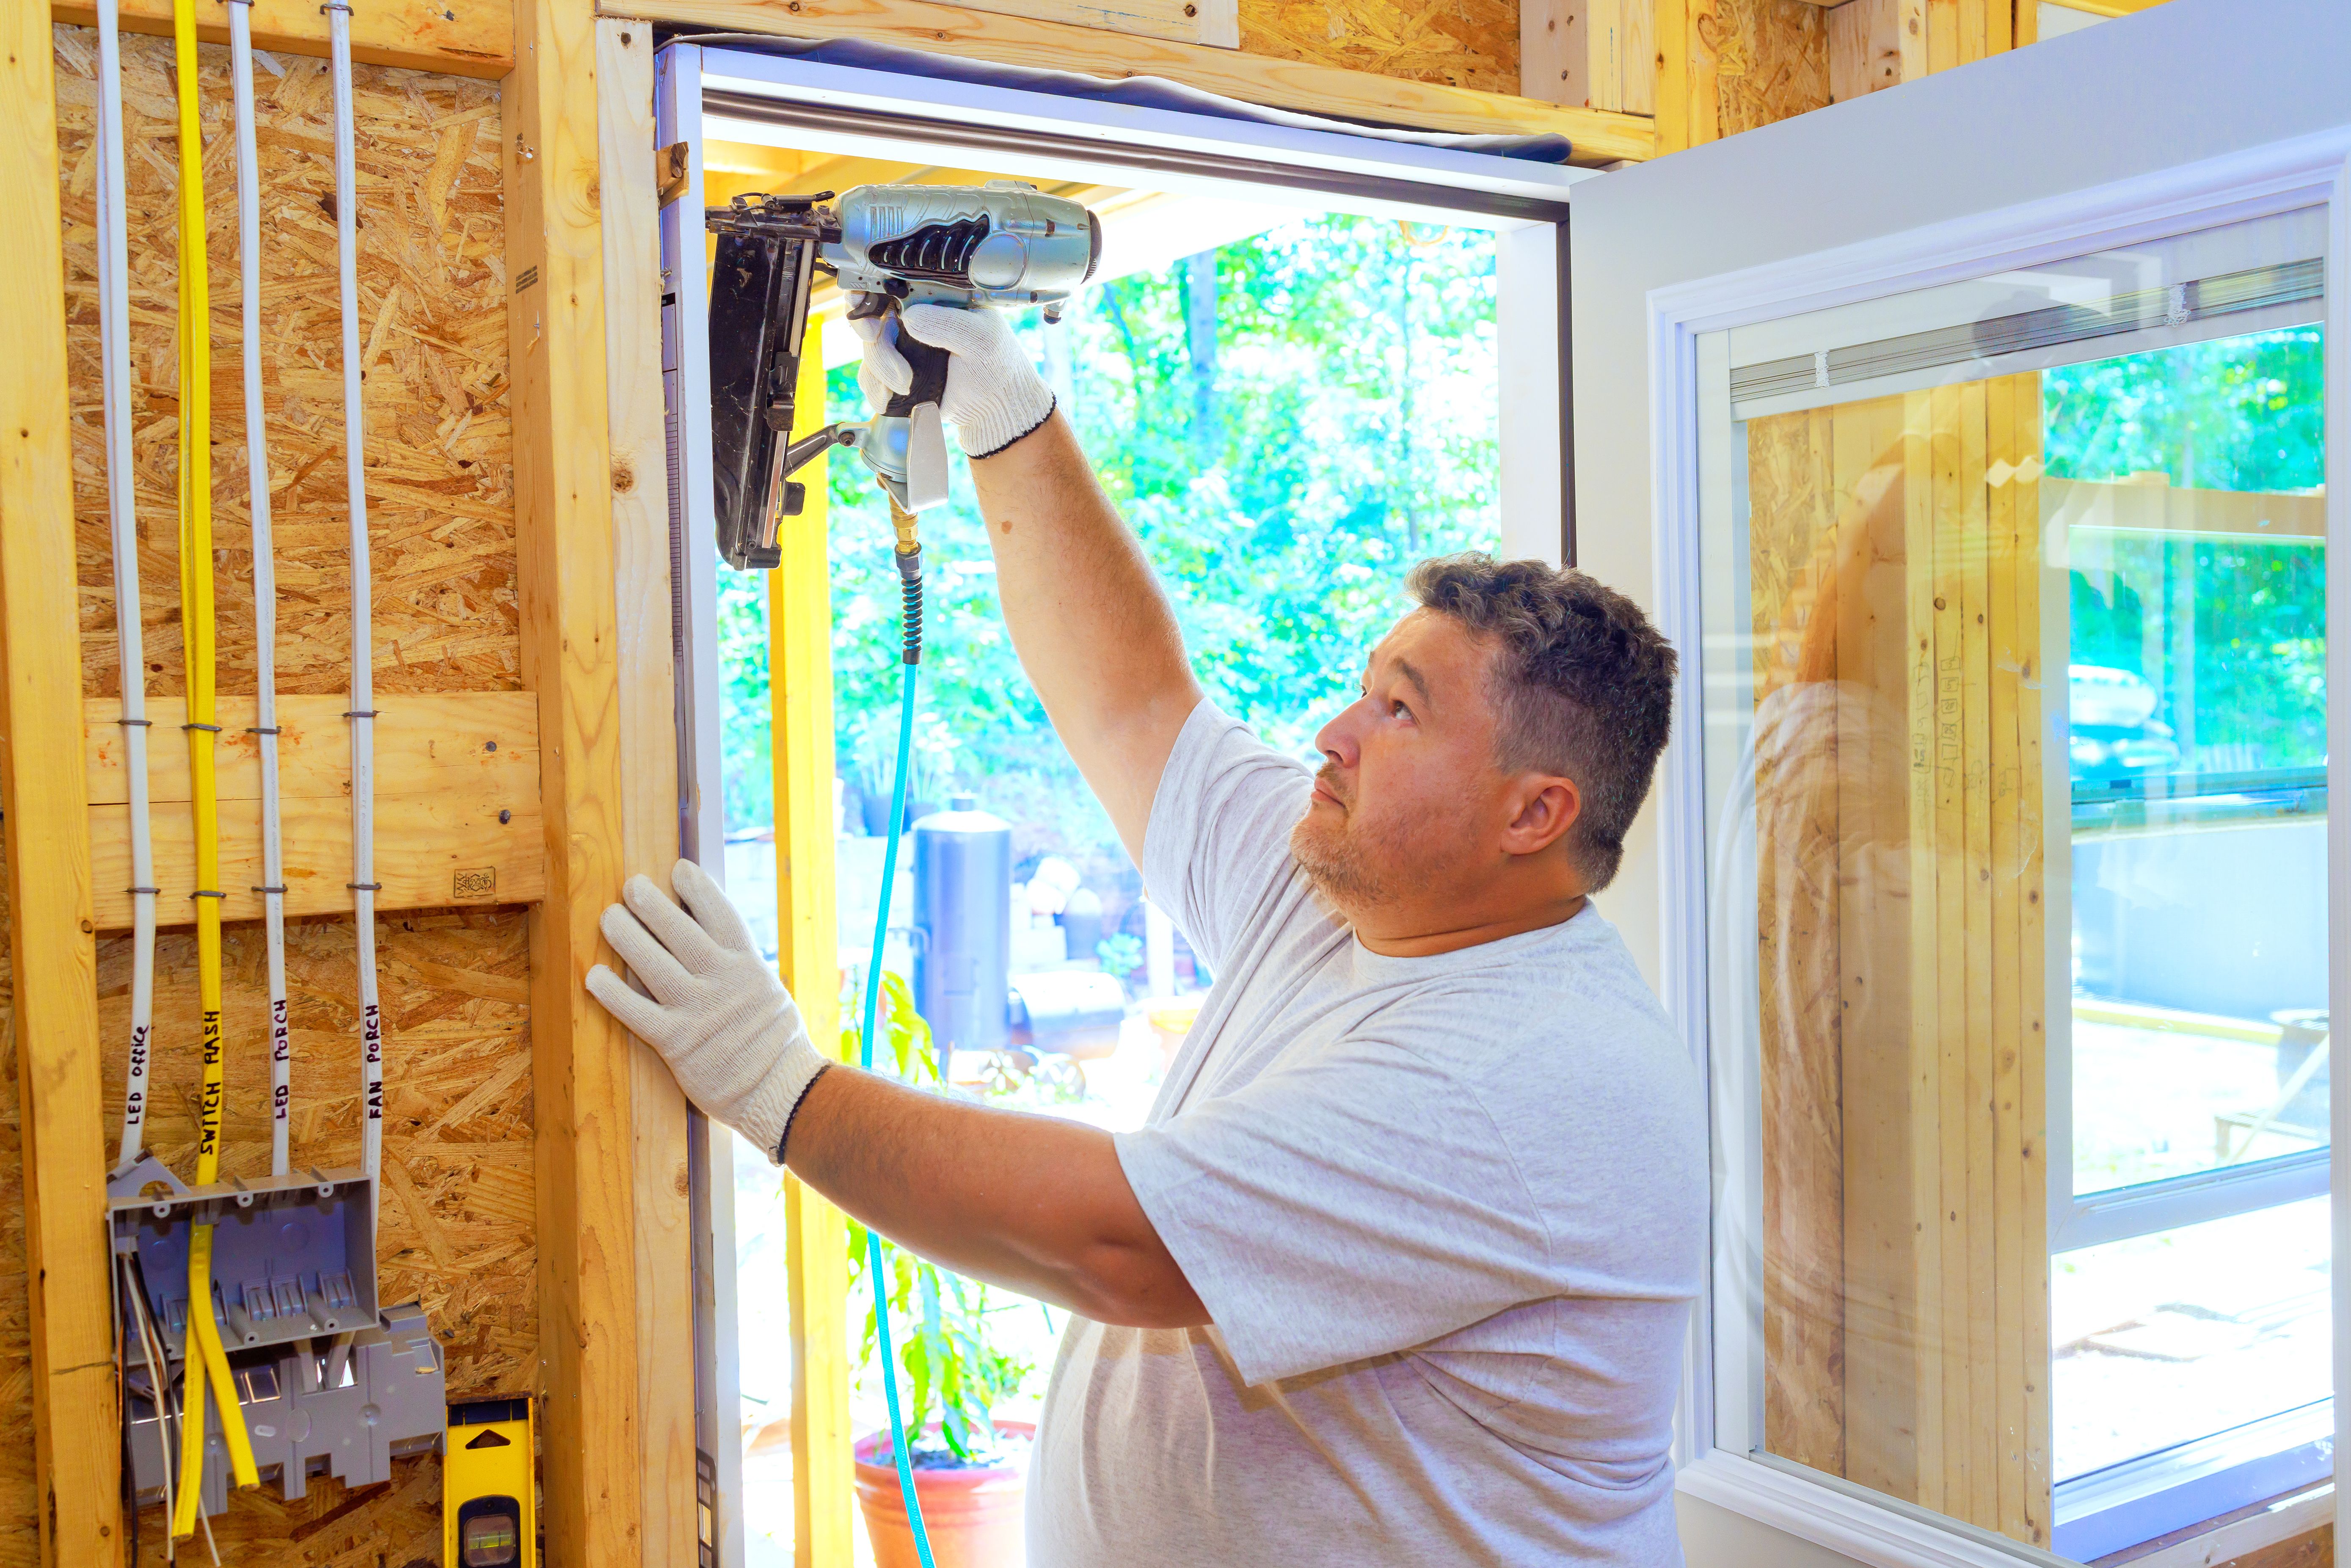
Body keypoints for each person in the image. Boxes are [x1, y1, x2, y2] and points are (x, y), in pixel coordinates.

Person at [587, 301, 1706, 1565]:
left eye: (1398, 711)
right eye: (1365, 681)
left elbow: (1120, 1243)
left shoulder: (1532, 1077)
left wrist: (778, 1089)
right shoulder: (1341, 884)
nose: (1334, 730)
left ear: (1533, 812)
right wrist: (1001, 407)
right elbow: (1131, 703)